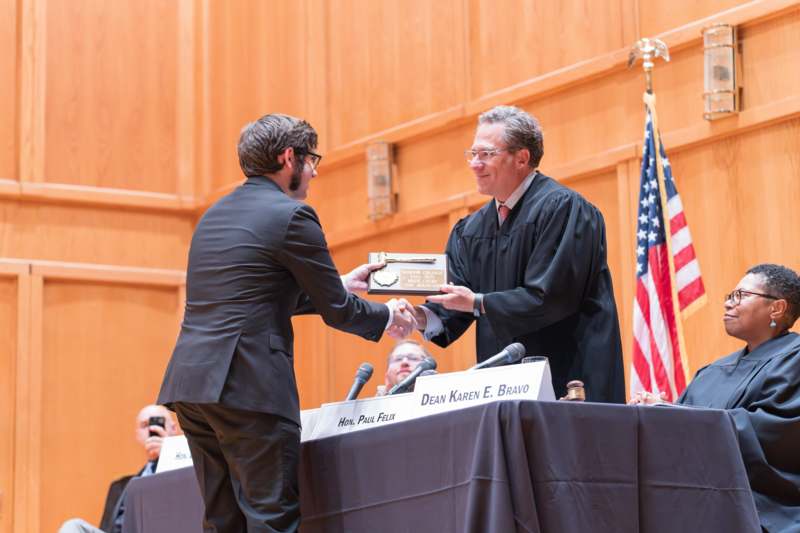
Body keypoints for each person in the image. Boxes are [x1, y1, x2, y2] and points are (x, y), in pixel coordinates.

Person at [157, 113, 416, 532]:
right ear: (289, 157)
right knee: (271, 519)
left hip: (192, 387)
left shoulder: (212, 218)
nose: (314, 172)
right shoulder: (293, 216)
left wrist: (341, 285)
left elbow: (252, 298)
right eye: (311, 159)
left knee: (223, 521)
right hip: (248, 387)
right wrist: (385, 315)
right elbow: (338, 311)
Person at [408, 105, 624, 403]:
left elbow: (549, 297)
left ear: (522, 158)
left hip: (568, 382)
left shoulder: (563, 209)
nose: (474, 164)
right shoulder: (470, 230)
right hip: (503, 391)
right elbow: (456, 305)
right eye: (472, 154)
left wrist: (479, 303)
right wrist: (419, 318)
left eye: (485, 154)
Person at [631, 263, 800, 532]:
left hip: (765, 509)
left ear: (776, 308)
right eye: (729, 296)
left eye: (740, 296)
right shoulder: (712, 371)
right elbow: (684, 431)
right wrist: (659, 414)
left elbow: (773, 433)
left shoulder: (795, 361)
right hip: (695, 500)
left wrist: (676, 415)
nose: (728, 305)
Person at [58, 405, 178, 533]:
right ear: (137, 435)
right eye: (144, 425)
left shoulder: (189, 474)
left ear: (174, 429)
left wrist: (170, 453)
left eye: (158, 422)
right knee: (73, 526)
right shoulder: (119, 486)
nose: (151, 429)